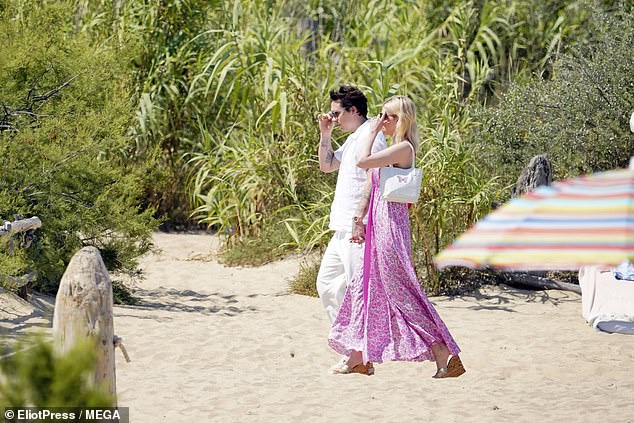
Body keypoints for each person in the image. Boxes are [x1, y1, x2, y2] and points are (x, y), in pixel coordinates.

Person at [328, 95, 465, 378]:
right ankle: (357, 357)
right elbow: (370, 184)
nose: (382, 120)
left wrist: (372, 131)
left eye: (387, 116)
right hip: (377, 227)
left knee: (401, 293)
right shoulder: (392, 150)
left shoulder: (404, 148)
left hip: (390, 229)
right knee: (366, 287)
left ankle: (444, 353)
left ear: (400, 120)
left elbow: (363, 161)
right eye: (381, 116)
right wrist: (358, 219)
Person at [317, 86, 387, 370]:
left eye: (336, 114)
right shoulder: (354, 139)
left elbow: (375, 176)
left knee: (356, 291)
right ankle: (354, 351)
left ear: (353, 110)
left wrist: (360, 218)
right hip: (340, 228)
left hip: (357, 228)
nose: (333, 118)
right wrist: (325, 135)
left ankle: (360, 355)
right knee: (327, 285)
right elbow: (326, 165)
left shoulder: (373, 136)